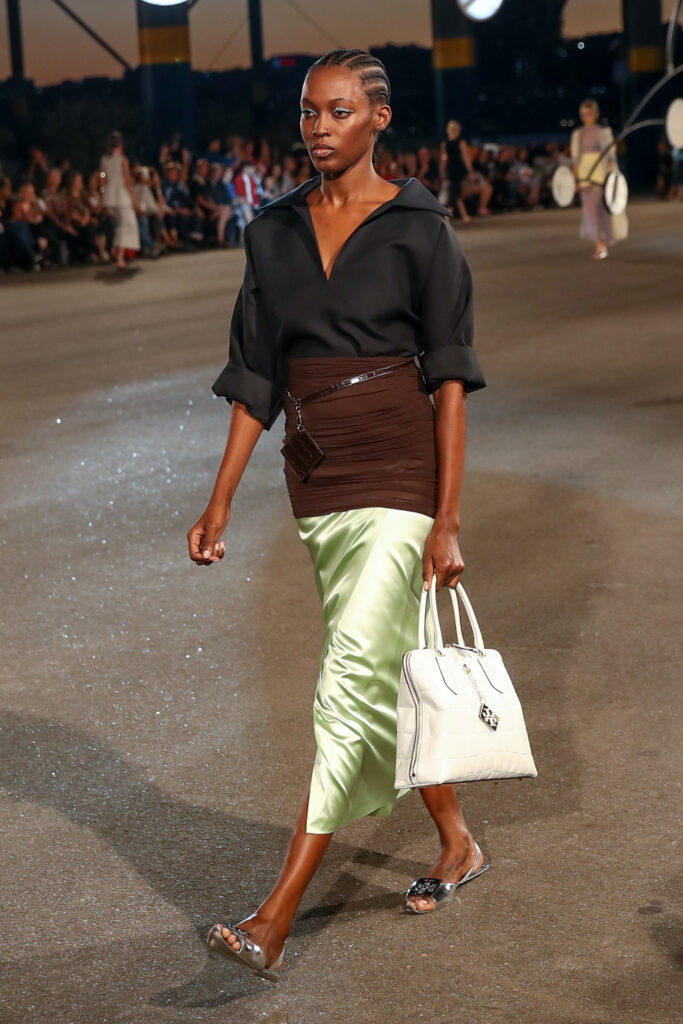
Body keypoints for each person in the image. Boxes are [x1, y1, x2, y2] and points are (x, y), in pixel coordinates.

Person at [187, 47, 488, 983]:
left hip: (398, 475)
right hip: (317, 483)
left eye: (339, 110)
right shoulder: (271, 232)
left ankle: (274, 917)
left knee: (348, 681)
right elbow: (255, 378)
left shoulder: (420, 229)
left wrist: (445, 519)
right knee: (383, 670)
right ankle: (456, 840)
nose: (318, 126)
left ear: (379, 117)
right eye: (309, 111)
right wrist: (220, 497)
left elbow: (449, 382)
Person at [570, 99, 622, 261]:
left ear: (596, 114)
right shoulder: (578, 134)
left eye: (589, 114)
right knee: (591, 209)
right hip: (584, 173)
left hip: (599, 172)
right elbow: (575, 158)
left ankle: (601, 243)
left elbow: (610, 155)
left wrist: (611, 174)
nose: (586, 117)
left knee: (595, 207)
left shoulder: (603, 132)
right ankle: (600, 242)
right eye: (583, 114)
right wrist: (576, 179)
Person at [100, 130, 140, 269]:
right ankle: (120, 257)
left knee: (122, 225)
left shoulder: (104, 160)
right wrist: (134, 199)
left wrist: (103, 195)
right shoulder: (123, 160)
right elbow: (127, 181)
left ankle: (115, 248)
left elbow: (102, 178)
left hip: (110, 197)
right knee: (127, 225)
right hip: (121, 196)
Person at [440, 120, 492, 223]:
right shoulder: (461, 143)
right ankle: (450, 214)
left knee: (456, 192)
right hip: (458, 170)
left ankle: (462, 215)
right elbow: (465, 158)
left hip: (451, 170)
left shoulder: (445, 143)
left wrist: (442, 171)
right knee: (456, 192)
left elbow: (443, 159)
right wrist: (471, 171)